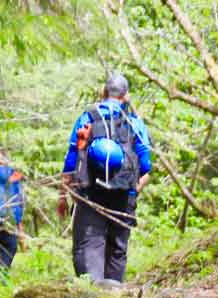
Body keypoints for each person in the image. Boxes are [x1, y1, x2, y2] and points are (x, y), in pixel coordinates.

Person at [57, 73, 153, 283]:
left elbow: (71, 159)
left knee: (89, 245)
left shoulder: (87, 117)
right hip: (124, 195)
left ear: (103, 92)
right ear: (126, 96)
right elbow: (146, 165)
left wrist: (63, 196)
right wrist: (134, 189)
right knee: (117, 249)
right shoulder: (134, 122)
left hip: (90, 194)